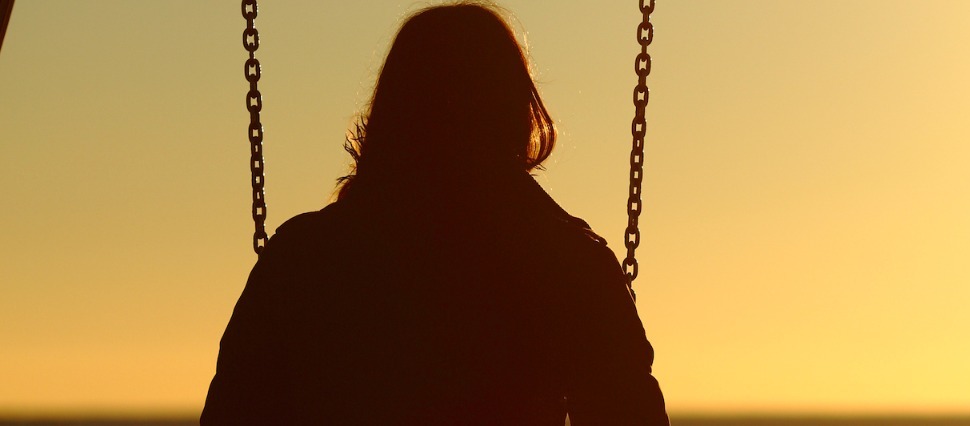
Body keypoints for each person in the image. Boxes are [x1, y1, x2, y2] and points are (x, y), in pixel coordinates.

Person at [201, 3, 668, 425]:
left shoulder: (303, 258)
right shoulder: (568, 264)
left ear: (392, 111)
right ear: (516, 113)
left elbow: (236, 409)